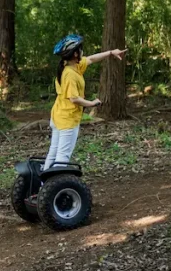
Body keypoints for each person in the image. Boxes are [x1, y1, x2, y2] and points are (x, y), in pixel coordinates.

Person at [43, 34, 126, 171]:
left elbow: (92, 59)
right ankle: (53, 188)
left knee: (53, 153)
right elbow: (74, 99)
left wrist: (111, 53)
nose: (82, 52)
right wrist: (92, 103)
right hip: (67, 119)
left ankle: (43, 186)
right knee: (62, 157)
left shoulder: (71, 65)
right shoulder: (69, 73)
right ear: (75, 54)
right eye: (80, 49)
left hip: (59, 116)